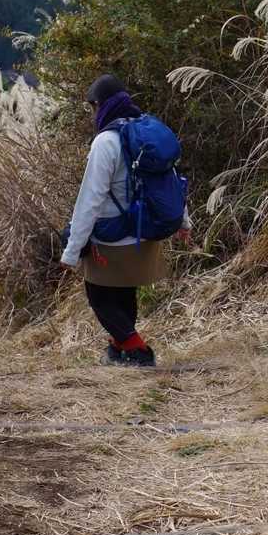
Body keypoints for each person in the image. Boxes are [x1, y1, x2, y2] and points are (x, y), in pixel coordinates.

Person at [60, 74, 189, 367]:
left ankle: (138, 351)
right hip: (144, 232)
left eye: (93, 107)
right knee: (122, 291)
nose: (92, 114)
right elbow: (169, 181)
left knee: (99, 296)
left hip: (112, 236)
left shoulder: (106, 141)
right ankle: (118, 350)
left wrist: (71, 251)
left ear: (101, 105)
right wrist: (183, 221)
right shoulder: (147, 131)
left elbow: (89, 200)